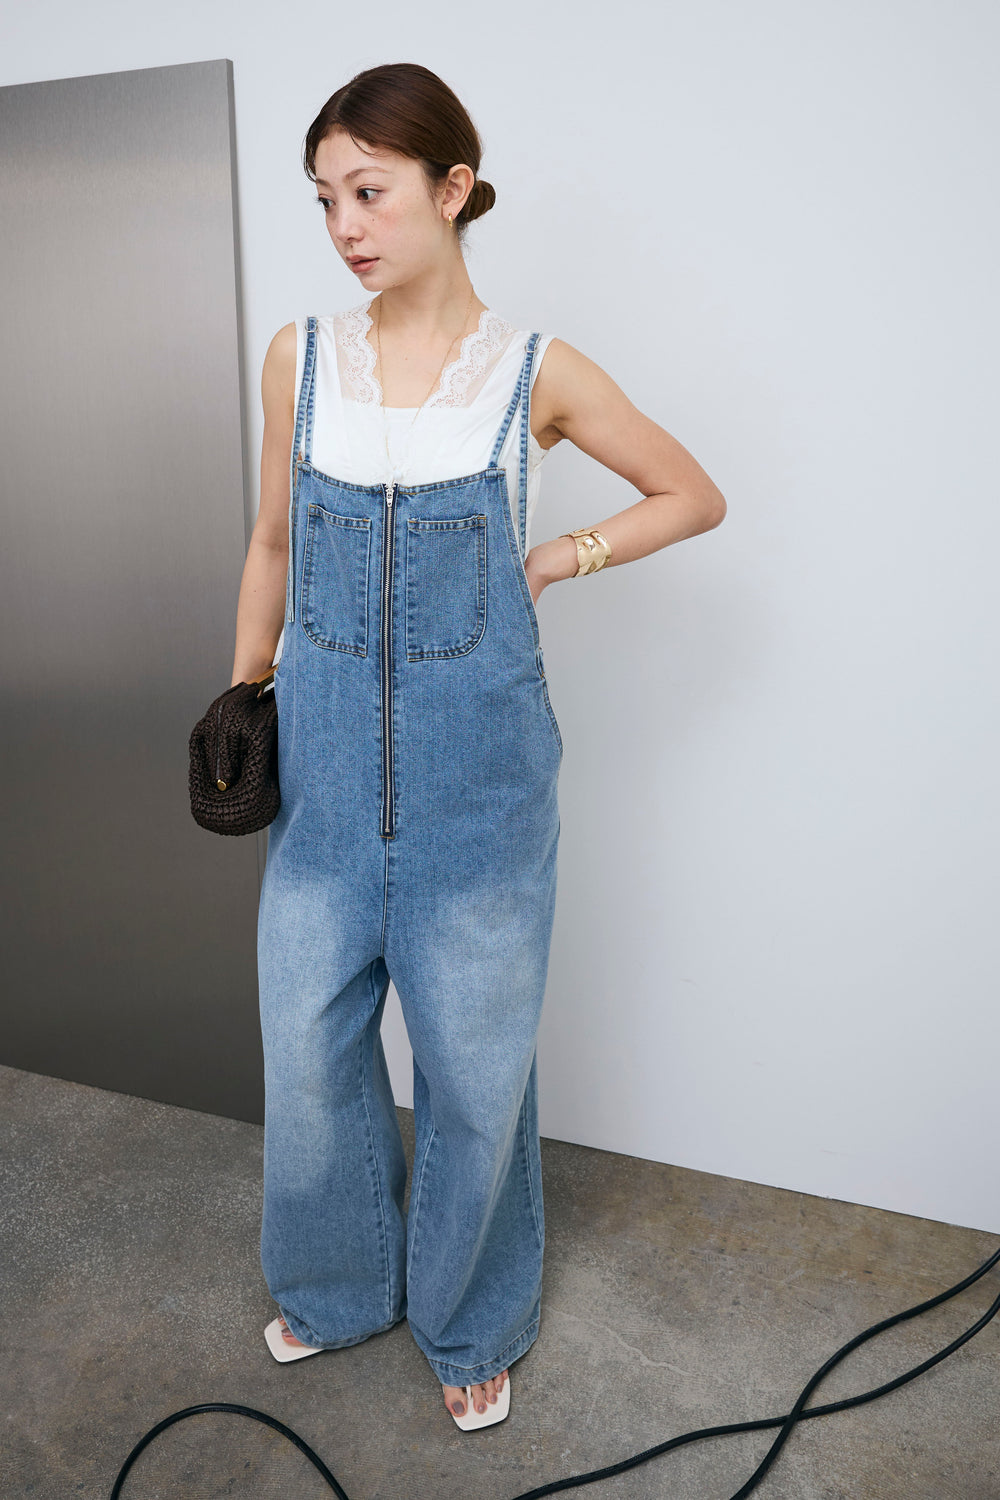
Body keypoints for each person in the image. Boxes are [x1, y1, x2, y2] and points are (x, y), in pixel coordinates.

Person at [229, 61, 726, 1430]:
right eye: (325, 199)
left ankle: (470, 1319)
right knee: (307, 1057)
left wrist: (560, 556)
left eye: (369, 191)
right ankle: (336, 1290)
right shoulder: (300, 359)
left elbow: (690, 492)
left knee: (474, 1071)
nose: (345, 225)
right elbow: (270, 543)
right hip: (323, 784)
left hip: (483, 794)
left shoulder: (532, 372)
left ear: (452, 189)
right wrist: (242, 695)